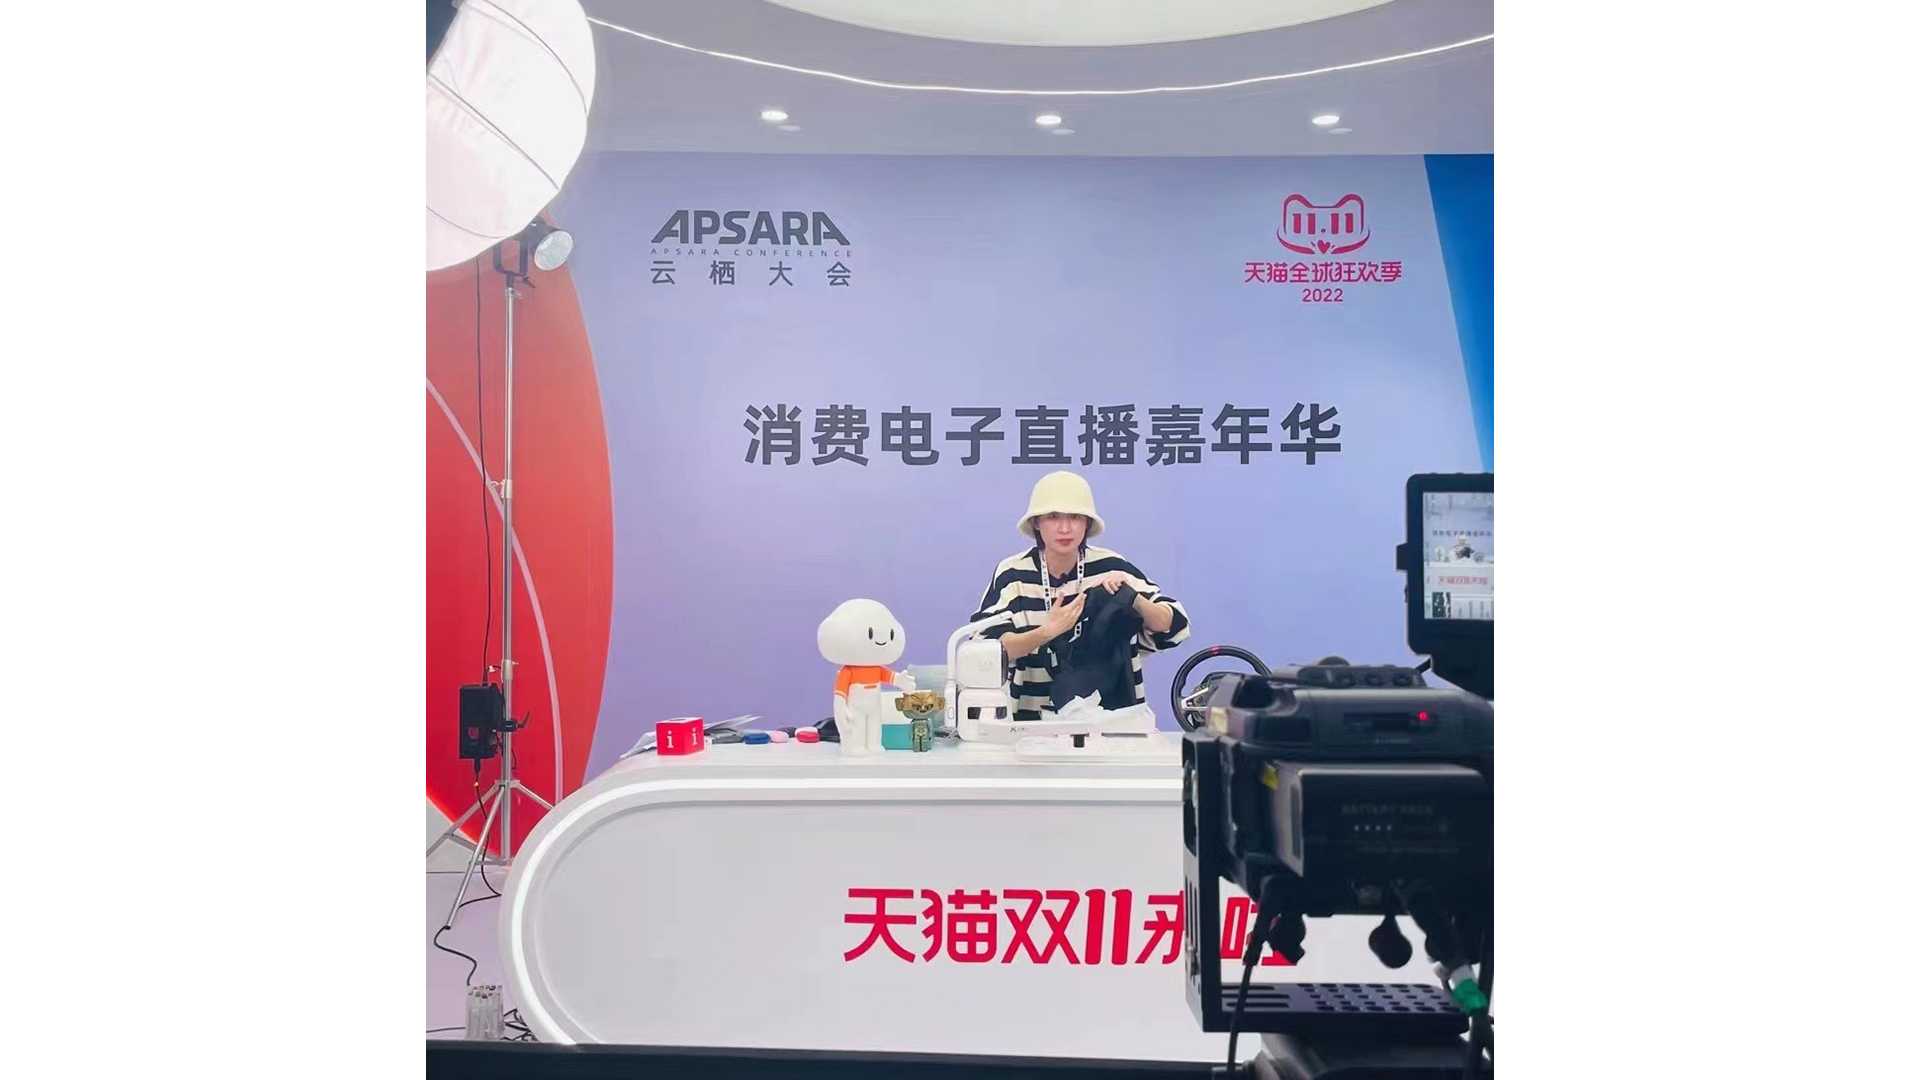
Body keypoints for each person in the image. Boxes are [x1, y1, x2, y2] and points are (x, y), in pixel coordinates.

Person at [968, 471, 1190, 723]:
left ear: (1087, 523)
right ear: (1036, 523)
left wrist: (1133, 598)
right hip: (1030, 724)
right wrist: (1047, 631)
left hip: (1111, 724)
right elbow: (986, 650)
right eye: (1053, 517)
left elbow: (1173, 625)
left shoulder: (1111, 566)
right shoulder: (1013, 573)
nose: (1065, 528)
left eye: (1075, 517)